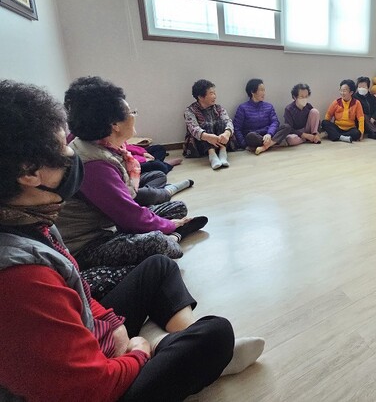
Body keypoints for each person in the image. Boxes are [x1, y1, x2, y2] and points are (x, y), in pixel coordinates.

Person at [0, 80, 264, 402]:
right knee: (217, 333)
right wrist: (138, 352)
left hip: (90, 333)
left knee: (159, 267)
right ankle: (185, 351)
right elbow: (90, 390)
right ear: (28, 172)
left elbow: (76, 287)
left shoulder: (33, 218)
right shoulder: (20, 278)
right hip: (96, 382)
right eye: (60, 148)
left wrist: (111, 323)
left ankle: (186, 344)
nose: (70, 153)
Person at [57, 77, 207, 270]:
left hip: (111, 222)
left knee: (178, 208)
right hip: (89, 243)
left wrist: (167, 222)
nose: (134, 116)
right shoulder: (94, 165)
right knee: (158, 244)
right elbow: (130, 216)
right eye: (130, 112)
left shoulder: (94, 142)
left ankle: (166, 233)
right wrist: (171, 226)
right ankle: (174, 237)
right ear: (115, 124)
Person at [184, 79, 235, 170]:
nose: (215, 96)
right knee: (206, 125)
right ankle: (212, 155)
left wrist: (226, 133)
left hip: (220, 141)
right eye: (211, 93)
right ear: (200, 97)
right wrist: (208, 137)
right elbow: (194, 128)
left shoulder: (219, 108)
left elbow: (228, 121)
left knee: (221, 123)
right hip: (200, 144)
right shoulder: (190, 110)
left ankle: (223, 153)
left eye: (214, 93)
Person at [234, 78, 293, 155]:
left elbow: (275, 122)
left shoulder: (269, 106)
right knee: (250, 135)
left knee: (286, 127)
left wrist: (269, 134)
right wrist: (244, 145)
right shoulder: (242, 108)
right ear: (252, 91)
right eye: (261, 90)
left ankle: (265, 147)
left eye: (264, 90)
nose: (264, 93)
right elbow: (237, 128)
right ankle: (273, 143)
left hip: (269, 135)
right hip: (255, 137)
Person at [355, 76, 376, 140]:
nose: (361, 89)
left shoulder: (372, 97)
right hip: (363, 121)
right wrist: (368, 119)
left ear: (368, 87)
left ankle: (373, 133)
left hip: (373, 120)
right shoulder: (355, 97)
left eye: (364, 87)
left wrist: (373, 117)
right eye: (359, 87)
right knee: (363, 116)